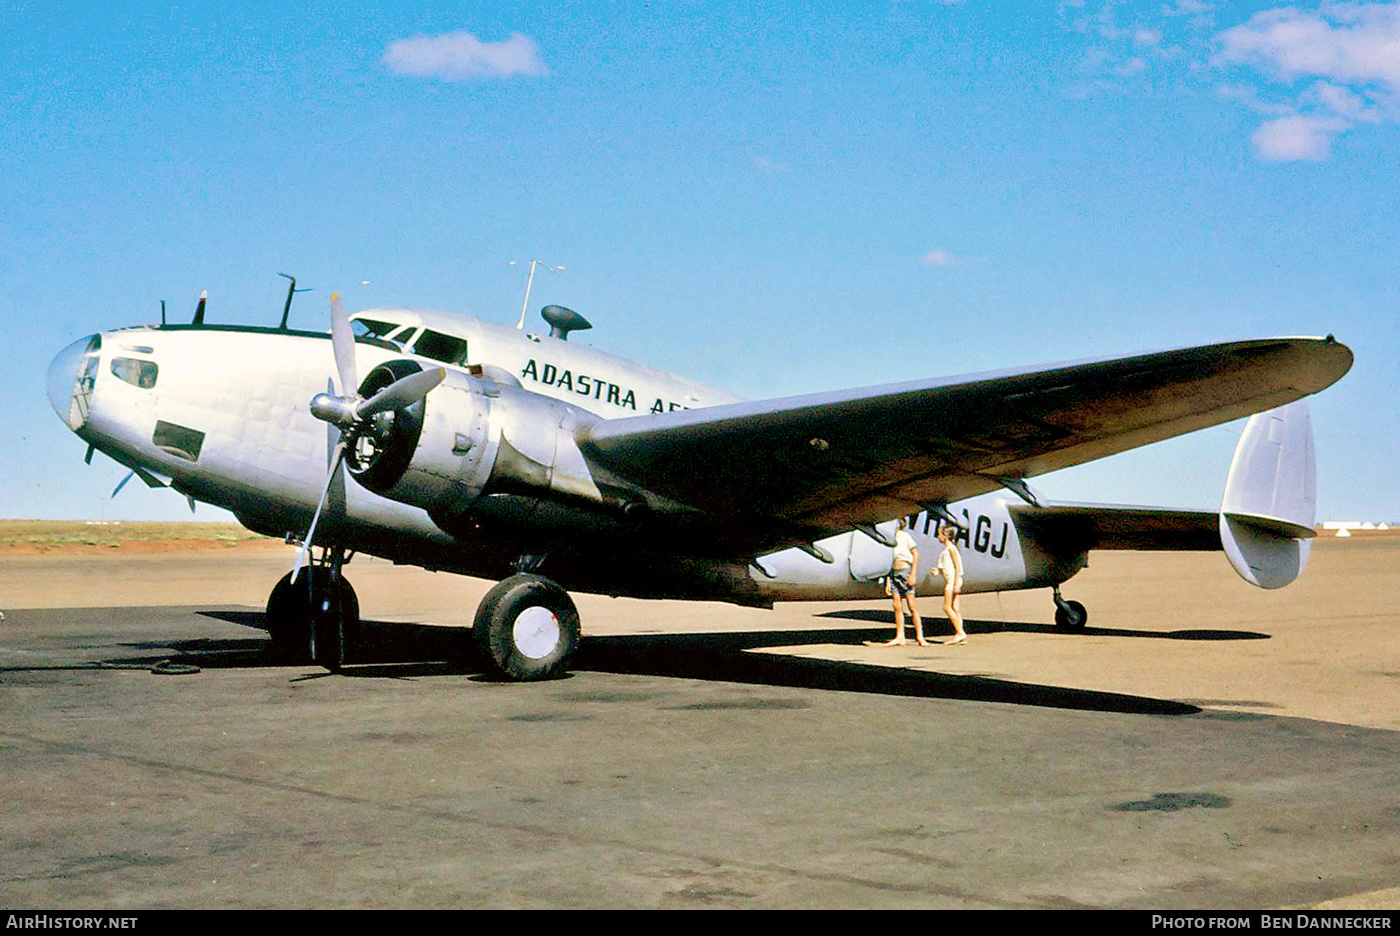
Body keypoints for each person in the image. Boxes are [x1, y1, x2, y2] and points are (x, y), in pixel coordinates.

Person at [883, 517, 929, 647]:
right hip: (893, 573)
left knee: (912, 606)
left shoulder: (905, 536)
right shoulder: (889, 538)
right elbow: (887, 560)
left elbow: (915, 554)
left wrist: (913, 574)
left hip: (905, 571)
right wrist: (888, 580)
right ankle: (900, 636)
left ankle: (920, 636)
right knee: (897, 606)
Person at [936, 523, 968, 645]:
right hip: (952, 580)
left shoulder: (951, 549)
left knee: (946, 607)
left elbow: (958, 566)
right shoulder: (947, 550)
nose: (938, 537)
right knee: (955, 608)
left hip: (952, 581)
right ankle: (959, 634)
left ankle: (960, 632)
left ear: (945, 535)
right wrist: (937, 570)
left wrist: (955, 584)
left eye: (939, 534)